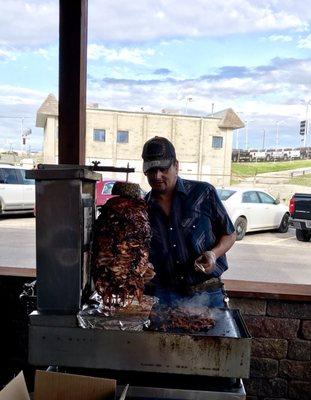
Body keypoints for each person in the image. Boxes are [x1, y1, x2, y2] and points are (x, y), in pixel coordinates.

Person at [142, 136, 236, 308]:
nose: (157, 176)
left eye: (163, 169)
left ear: (176, 165)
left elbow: (230, 233)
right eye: (151, 170)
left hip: (207, 293)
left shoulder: (203, 193)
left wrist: (213, 254)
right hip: (162, 296)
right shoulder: (141, 209)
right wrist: (143, 269)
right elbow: (140, 253)